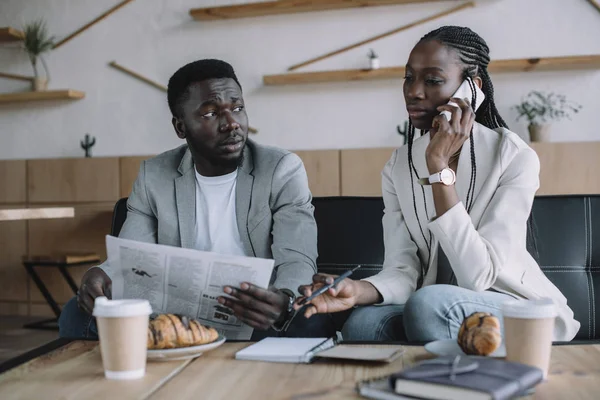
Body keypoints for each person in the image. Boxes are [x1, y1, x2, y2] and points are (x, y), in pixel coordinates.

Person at [295, 26, 580, 342]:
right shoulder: (398, 166)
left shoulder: (512, 156)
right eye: (408, 77)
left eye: (432, 80)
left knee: (427, 304)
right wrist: (359, 289)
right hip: (434, 305)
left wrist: (438, 168)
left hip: (511, 306)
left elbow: (479, 277)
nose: (414, 91)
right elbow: (402, 271)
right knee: (362, 324)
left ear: (471, 89)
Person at [59, 59, 331, 339]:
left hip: (253, 312)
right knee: (76, 314)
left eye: (237, 108)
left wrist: (284, 299)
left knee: (307, 319)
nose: (231, 123)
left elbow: (297, 257)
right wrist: (100, 274)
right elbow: (132, 254)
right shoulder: (154, 176)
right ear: (180, 127)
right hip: (178, 315)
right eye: (211, 113)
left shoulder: (281, 169)